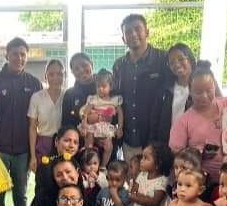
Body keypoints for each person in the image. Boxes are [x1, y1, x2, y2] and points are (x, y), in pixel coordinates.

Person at [0, 37, 43, 206]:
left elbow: (37, 119)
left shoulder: (34, 83)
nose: (19, 58)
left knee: (21, 194)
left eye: (23, 55)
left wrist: (34, 151)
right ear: (6, 55)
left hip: (23, 150)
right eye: (15, 54)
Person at [169, 61, 227, 195]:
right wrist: (198, 154)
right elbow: (178, 155)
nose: (204, 96)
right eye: (198, 92)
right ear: (190, 91)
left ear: (214, 86)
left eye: (208, 90)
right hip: (202, 185)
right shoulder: (183, 121)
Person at [113, 14, 169, 161]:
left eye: (137, 29)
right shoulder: (119, 65)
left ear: (147, 32)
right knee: (130, 175)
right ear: (123, 39)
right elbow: (115, 99)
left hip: (155, 140)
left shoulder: (163, 59)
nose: (133, 34)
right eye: (128, 32)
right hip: (127, 140)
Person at [151, 43, 196, 147]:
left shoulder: (201, 86)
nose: (176, 65)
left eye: (181, 59)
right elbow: (155, 119)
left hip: (192, 148)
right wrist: (153, 144)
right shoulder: (165, 88)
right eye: (172, 62)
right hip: (168, 145)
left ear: (190, 59)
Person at [79, 69, 123, 168]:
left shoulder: (114, 100)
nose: (100, 89)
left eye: (103, 86)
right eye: (98, 86)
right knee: (89, 144)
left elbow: (120, 114)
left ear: (110, 86)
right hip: (93, 126)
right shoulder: (94, 99)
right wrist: (84, 125)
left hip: (106, 128)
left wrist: (120, 128)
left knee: (109, 147)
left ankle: (102, 166)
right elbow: (86, 112)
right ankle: (88, 164)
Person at [28, 59, 65, 168]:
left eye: (59, 74)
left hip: (64, 144)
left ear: (65, 75)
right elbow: (32, 127)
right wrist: (33, 156)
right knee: (43, 175)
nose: (55, 78)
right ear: (45, 76)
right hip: (43, 144)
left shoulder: (68, 96)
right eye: (51, 74)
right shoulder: (37, 97)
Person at [62, 52, 96, 129]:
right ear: (72, 72)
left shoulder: (107, 87)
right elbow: (66, 123)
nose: (81, 70)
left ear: (92, 64)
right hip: (79, 135)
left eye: (84, 65)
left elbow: (116, 116)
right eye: (76, 68)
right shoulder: (69, 94)